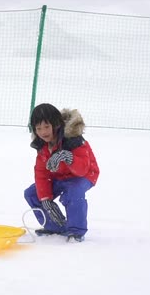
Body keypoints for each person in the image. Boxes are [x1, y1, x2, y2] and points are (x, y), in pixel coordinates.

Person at [24, 103, 100, 242]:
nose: (43, 132)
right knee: (33, 193)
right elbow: (41, 173)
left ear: (56, 124)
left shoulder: (73, 139)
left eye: (47, 126)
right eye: (38, 128)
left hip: (83, 175)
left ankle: (76, 231)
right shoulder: (42, 146)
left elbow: (83, 168)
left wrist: (68, 157)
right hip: (59, 176)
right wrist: (45, 199)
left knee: (73, 190)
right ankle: (54, 227)